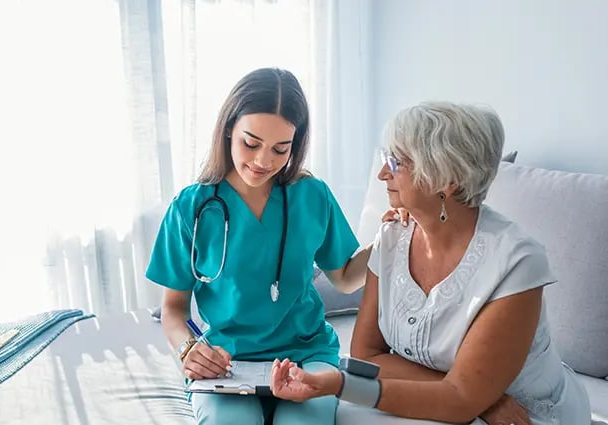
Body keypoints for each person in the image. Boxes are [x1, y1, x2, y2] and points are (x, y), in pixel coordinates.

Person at [270, 101, 592, 425]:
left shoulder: (516, 264)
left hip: (522, 415)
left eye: (396, 162)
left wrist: (343, 385)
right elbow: (367, 355)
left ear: (445, 179)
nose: (383, 173)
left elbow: (458, 399)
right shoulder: (393, 237)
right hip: (478, 404)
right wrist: (481, 398)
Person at [145, 67, 371, 425]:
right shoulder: (191, 208)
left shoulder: (311, 196)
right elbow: (174, 309)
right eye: (251, 144)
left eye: (281, 149)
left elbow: (344, 278)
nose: (264, 161)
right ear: (228, 130)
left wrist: (389, 240)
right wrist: (190, 349)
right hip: (227, 358)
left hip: (306, 353)